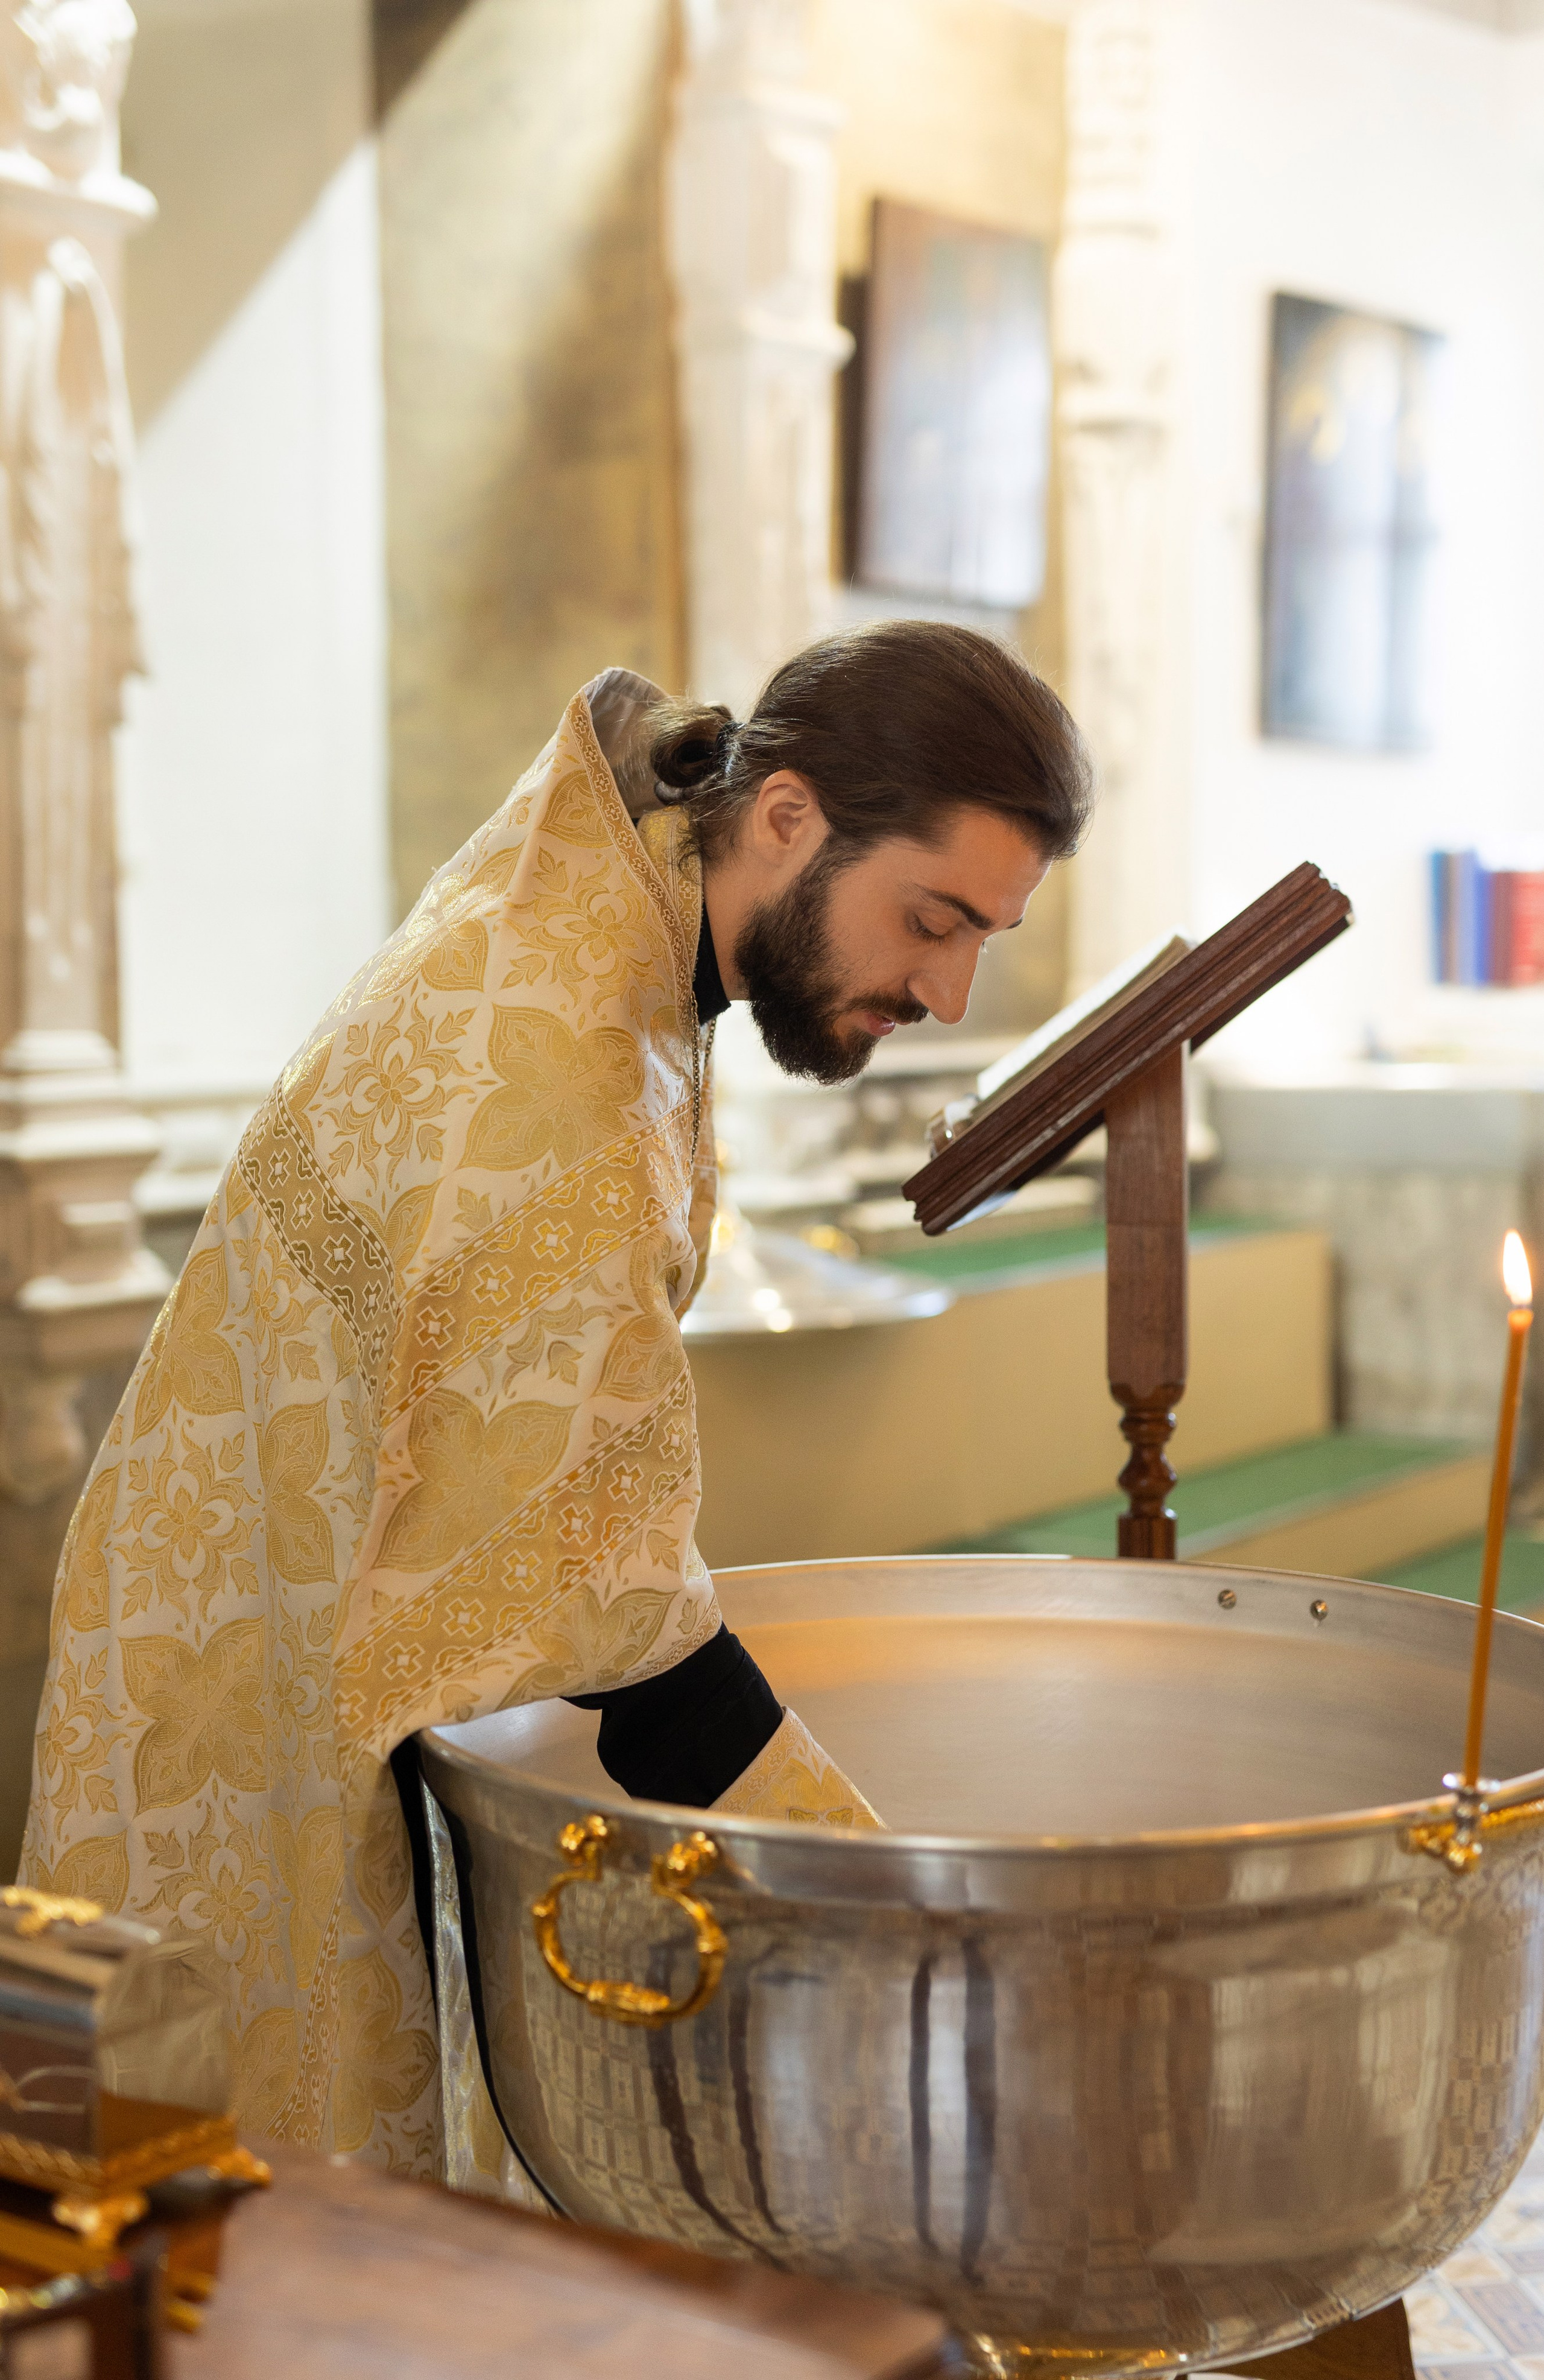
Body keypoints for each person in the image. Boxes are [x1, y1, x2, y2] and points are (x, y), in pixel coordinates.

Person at [20, 620, 1090, 2177]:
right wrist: (914, 1917)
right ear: (785, 814)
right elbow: (631, 1640)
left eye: (984, 933)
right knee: (234, 2276)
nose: (949, 984)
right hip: (241, 1727)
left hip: (258, 1612)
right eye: (932, 918)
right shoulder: (559, 1056)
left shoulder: (611, 896)